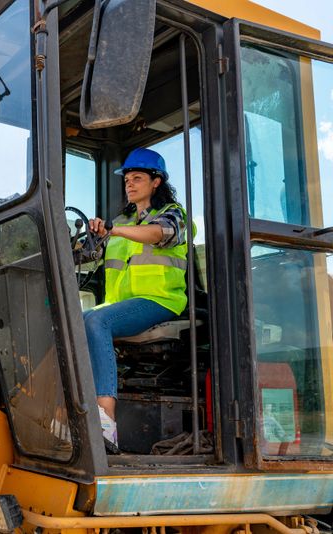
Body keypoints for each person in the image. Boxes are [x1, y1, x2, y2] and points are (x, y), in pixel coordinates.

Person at [83, 147, 188, 447]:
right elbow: (90, 255)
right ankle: (69, 409)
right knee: (71, 322)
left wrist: (115, 230)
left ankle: (104, 425)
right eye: (127, 178)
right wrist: (92, 236)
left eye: (137, 177)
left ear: (156, 182)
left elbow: (159, 234)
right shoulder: (121, 222)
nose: (129, 183)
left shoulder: (172, 215)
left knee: (97, 322)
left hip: (160, 301)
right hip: (123, 305)